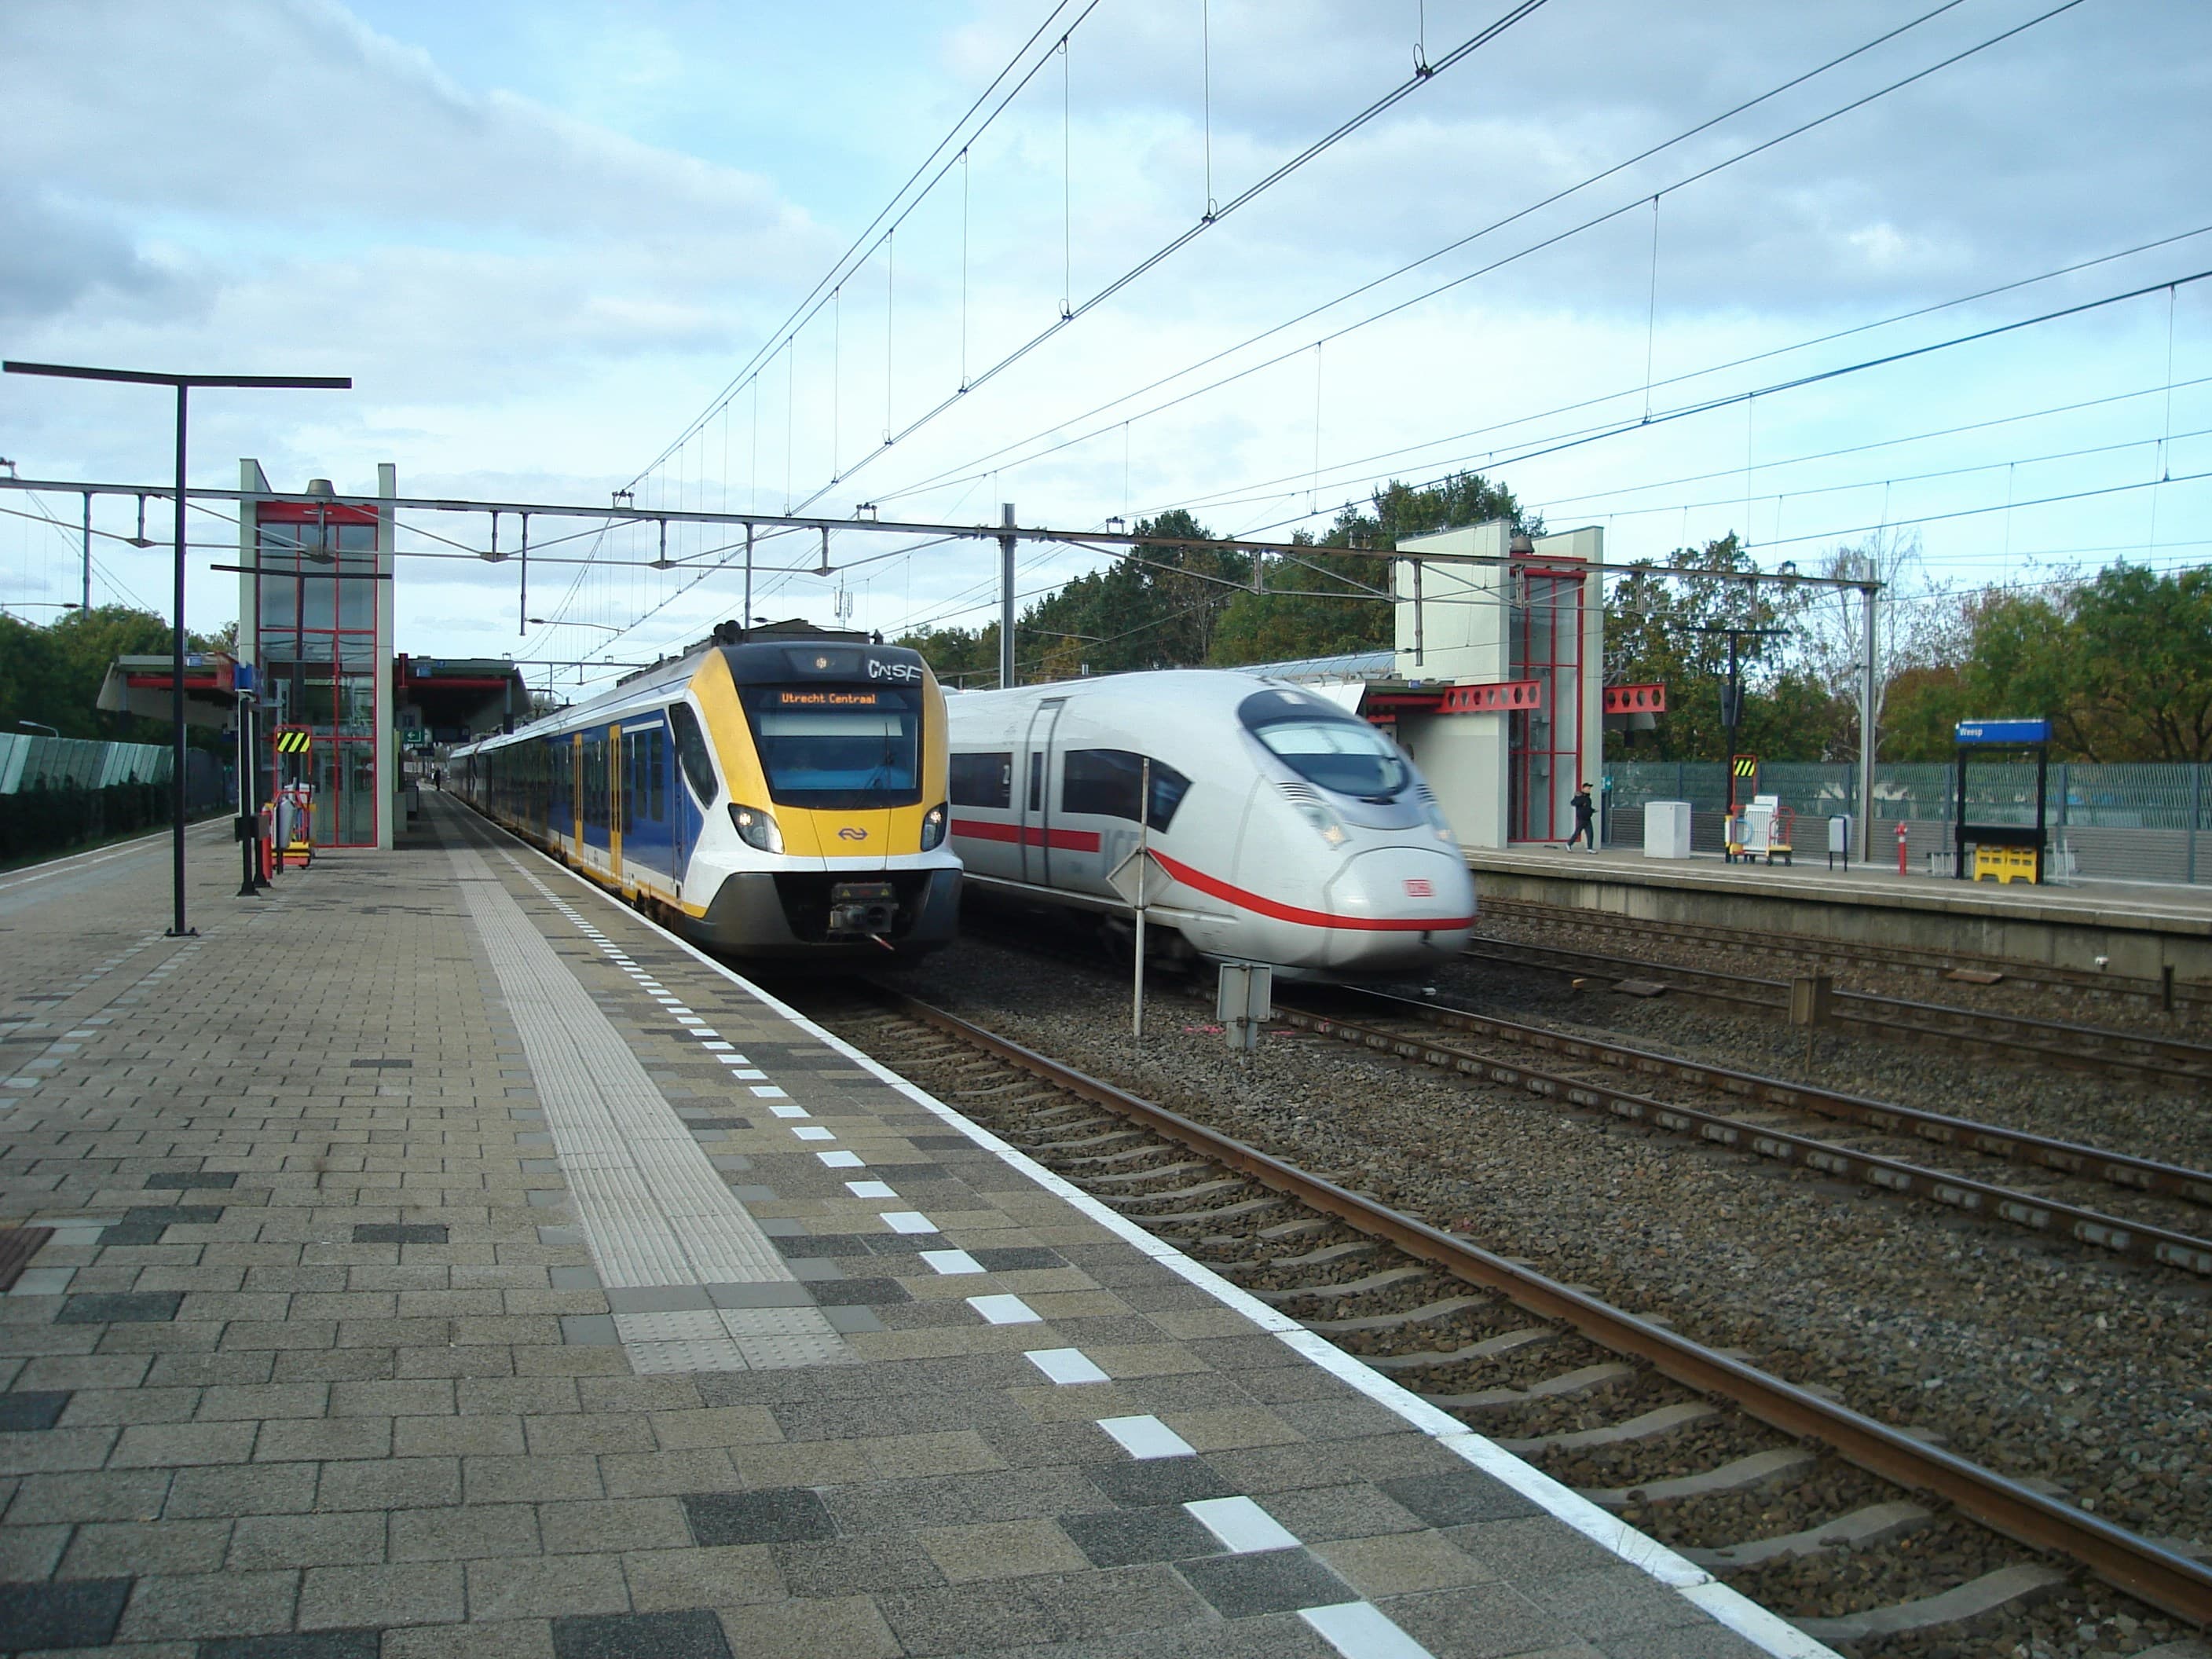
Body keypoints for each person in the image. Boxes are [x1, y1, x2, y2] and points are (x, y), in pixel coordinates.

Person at [1567, 781, 1596, 850]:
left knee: (1590, 834)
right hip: (1582, 818)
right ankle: (1569, 844)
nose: (1589, 790)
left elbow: (1588, 808)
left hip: (1588, 818)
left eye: (1590, 788)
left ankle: (1590, 849)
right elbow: (1573, 803)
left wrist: (1593, 810)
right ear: (1583, 789)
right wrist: (1581, 802)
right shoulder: (1579, 797)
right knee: (1577, 832)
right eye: (1588, 788)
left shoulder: (1588, 799)